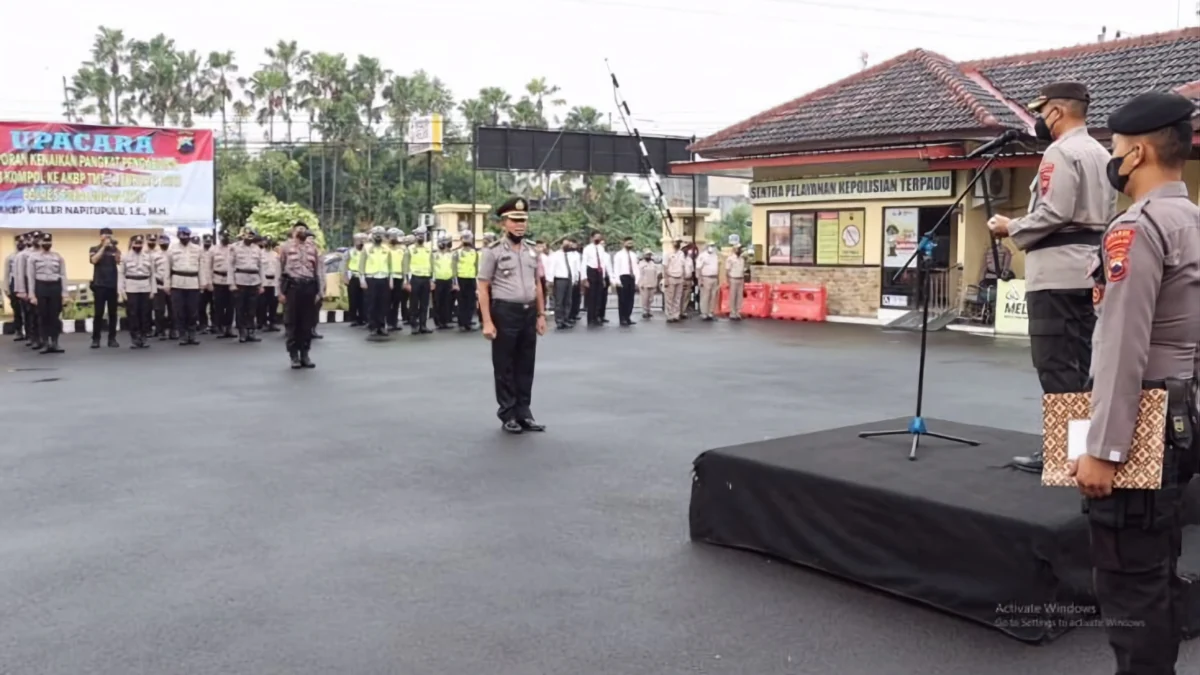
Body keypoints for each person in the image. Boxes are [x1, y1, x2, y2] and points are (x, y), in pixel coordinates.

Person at [1070, 91, 1199, 675]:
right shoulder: (1192, 220)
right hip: (1183, 413)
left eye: (1115, 149)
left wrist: (1102, 449)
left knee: (1129, 583)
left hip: (1143, 421)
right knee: (1159, 570)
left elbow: (1123, 343)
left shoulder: (1138, 227)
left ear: (1139, 151)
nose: (1112, 159)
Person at [988, 81, 1118, 473]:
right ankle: (1086, 447)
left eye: (1042, 113)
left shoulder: (1059, 153)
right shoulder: (1101, 151)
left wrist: (1011, 227)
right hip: (1089, 267)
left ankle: (1063, 451)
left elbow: (1054, 212)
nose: (1041, 121)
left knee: (1056, 363)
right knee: (1083, 362)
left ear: (1057, 112)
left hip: (1056, 274)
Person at [478, 197, 547, 434]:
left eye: (523, 220)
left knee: (526, 365)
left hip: (528, 313)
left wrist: (541, 314)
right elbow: (483, 287)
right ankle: (508, 413)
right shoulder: (493, 252)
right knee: (505, 365)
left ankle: (524, 412)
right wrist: (487, 321)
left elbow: (537, 283)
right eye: (515, 220)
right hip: (505, 312)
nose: (520, 225)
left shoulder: (531, 251)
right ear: (503, 223)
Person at [279, 223, 324, 368]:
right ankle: (294, 356)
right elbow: (278, 271)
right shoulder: (285, 248)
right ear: (293, 231)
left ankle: (305, 354)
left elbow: (318, 271)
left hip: (309, 287)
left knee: (307, 323)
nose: (302, 231)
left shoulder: (313, 249)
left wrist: (320, 291)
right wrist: (279, 292)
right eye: (299, 229)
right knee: (292, 323)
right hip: (292, 288)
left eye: (304, 229)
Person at [26, 232, 69, 354]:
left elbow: (63, 275)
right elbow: (31, 277)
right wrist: (32, 294)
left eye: (48, 242)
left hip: (55, 287)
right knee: (43, 316)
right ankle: (45, 343)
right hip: (41, 286)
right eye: (44, 242)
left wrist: (64, 293)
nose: (47, 244)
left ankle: (55, 343)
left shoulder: (58, 257)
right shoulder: (33, 258)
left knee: (54, 316)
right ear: (40, 242)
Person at [165, 227, 205, 346]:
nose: (184, 239)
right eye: (182, 237)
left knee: (192, 310)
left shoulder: (197, 249)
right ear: (178, 236)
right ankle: (182, 334)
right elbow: (167, 267)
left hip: (193, 282)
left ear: (189, 236)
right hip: (177, 282)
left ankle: (192, 334)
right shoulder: (172, 249)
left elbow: (201, 267)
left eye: (186, 236)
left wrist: (202, 283)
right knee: (179, 311)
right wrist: (167, 284)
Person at [119, 235, 157, 349]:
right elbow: (121, 274)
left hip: (145, 286)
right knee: (133, 314)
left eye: (140, 244)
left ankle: (144, 336)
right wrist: (121, 290)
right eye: (136, 244)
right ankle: (135, 337)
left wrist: (153, 290)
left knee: (145, 313)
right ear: (132, 244)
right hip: (131, 287)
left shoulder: (148, 256)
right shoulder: (125, 256)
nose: (138, 246)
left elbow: (152, 274)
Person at [230, 226, 265, 343]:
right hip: (240, 280)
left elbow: (261, 267)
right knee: (240, 308)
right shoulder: (234, 248)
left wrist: (262, 284)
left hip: (254, 280)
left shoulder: (257, 249)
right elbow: (230, 266)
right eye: (247, 236)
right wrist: (231, 283)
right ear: (242, 236)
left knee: (252, 309)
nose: (249, 238)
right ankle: (242, 332)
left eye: (251, 236)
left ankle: (251, 331)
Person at [89, 227, 122, 348]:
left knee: (113, 313)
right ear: (101, 237)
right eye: (105, 235)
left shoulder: (114, 249)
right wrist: (104, 247)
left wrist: (116, 248)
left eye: (109, 235)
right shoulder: (94, 248)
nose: (108, 237)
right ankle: (95, 339)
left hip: (112, 285)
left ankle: (112, 338)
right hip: (99, 285)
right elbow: (94, 260)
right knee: (98, 313)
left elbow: (119, 261)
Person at [358, 225, 392, 340]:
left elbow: (390, 265)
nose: (378, 237)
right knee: (372, 304)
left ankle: (382, 326)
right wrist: (362, 279)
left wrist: (391, 280)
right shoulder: (366, 248)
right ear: (372, 236)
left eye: (380, 235)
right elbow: (361, 265)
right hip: (371, 278)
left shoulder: (386, 249)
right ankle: (373, 327)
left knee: (383, 304)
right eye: (376, 235)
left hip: (383, 278)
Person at [14, 232, 42, 350]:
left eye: (37, 237)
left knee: (42, 314)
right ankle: (33, 337)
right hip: (28, 284)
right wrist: (21, 290)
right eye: (32, 238)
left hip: (42, 285)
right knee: (31, 314)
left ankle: (44, 338)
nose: (34, 240)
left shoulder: (45, 253)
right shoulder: (23, 255)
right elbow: (19, 274)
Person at [405, 227, 433, 335]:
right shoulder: (410, 249)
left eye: (422, 235)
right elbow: (406, 266)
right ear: (415, 236)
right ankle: (414, 325)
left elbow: (432, 264)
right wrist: (406, 281)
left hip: (426, 278)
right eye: (418, 235)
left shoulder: (428, 249)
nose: (420, 237)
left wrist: (432, 280)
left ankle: (423, 325)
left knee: (424, 304)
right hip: (415, 278)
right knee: (414, 303)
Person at [453, 230, 479, 332]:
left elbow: (476, 267)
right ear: (461, 239)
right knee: (461, 302)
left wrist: (477, 282)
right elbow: (454, 268)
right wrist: (455, 283)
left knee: (471, 302)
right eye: (465, 238)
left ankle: (468, 322)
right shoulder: (457, 252)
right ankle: (461, 323)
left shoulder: (474, 252)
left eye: (468, 238)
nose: (467, 240)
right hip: (461, 279)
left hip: (471, 279)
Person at [210, 231, 235, 339]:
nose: (225, 238)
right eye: (224, 236)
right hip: (218, 279)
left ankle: (228, 327)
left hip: (230, 281)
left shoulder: (233, 249)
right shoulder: (213, 249)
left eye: (227, 236)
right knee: (219, 305)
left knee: (230, 306)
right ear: (220, 237)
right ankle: (220, 327)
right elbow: (209, 267)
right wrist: (209, 282)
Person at [611, 236, 640, 327]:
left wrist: (637, 281)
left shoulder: (634, 255)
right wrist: (617, 281)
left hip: (631, 278)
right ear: (623, 243)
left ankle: (628, 317)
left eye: (631, 243)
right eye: (628, 243)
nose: (630, 245)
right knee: (623, 300)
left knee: (630, 299)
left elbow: (636, 269)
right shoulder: (619, 255)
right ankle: (622, 318)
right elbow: (616, 268)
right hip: (622, 278)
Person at [581, 232, 609, 326]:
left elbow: (603, 263)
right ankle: (591, 318)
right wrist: (584, 278)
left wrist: (604, 277)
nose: (598, 239)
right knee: (591, 296)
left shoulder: (601, 248)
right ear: (592, 238)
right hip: (591, 271)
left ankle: (597, 317)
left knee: (599, 296)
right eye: (596, 237)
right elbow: (584, 263)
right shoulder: (587, 249)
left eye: (599, 237)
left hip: (599, 272)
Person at [432, 234, 456, 330]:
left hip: (448, 279)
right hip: (438, 280)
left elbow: (453, 269)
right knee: (437, 302)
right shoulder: (435, 255)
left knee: (446, 302)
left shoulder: (451, 255)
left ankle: (445, 321)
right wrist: (432, 281)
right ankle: (438, 322)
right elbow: (432, 268)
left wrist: (454, 282)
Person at [5, 234, 26, 342]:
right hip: (14, 283)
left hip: (26, 282)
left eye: (22, 241)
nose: (20, 243)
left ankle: (31, 332)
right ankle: (18, 331)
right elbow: (6, 273)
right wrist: (7, 288)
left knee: (28, 310)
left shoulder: (29, 255)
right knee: (16, 309)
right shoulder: (10, 257)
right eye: (18, 241)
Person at [259, 236, 281, 332]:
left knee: (273, 303)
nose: (268, 243)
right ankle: (262, 323)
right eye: (266, 242)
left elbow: (278, 270)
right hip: (264, 281)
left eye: (269, 242)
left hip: (274, 282)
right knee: (262, 304)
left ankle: (272, 322)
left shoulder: (276, 255)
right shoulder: (260, 254)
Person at [345, 232, 367, 327]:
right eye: (358, 240)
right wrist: (345, 276)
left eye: (363, 240)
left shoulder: (366, 252)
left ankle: (364, 318)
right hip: (353, 277)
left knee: (364, 299)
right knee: (353, 299)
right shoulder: (349, 252)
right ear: (354, 241)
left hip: (364, 277)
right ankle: (353, 318)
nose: (360, 242)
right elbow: (344, 265)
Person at [387, 228, 406, 332]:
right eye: (392, 237)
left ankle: (393, 322)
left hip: (399, 277)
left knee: (396, 301)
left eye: (395, 237)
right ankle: (387, 322)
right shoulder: (385, 248)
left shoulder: (402, 249)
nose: (394, 239)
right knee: (387, 301)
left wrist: (405, 278)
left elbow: (404, 264)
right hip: (387, 278)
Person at [696, 242, 721, 321]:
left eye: (713, 246)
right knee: (705, 296)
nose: (712, 247)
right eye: (711, 246)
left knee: (713, 296)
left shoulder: (715, 255)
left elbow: (717, 267)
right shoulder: (702, 256)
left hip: (714, 278)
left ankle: (710, 312)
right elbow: (698, 268)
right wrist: (700, 279)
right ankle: (704, 313)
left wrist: (718, 279)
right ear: (707, 246)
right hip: (705, 278)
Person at [725, 236, 748, 321]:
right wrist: (728, 281)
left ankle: (738, 312)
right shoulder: (730, 258)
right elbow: (727, 270)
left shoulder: (742, 259)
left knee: (739, 297)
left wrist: (743, 281)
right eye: (739, 249)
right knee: (733, 296)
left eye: (741, 249)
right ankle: (732, 312)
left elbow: (742, 270)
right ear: (735, 249)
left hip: (740, 278)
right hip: (733, 278)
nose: (740, 250)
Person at [664, 239, 686, 322]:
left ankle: (675, 315)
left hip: (679, 277)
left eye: (679, 242)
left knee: (677, 297)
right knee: (669, 298)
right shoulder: (668, 253)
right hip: (671, 277)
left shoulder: (681, 253)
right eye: (676, 242)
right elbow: (665, 267)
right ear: (672, 243)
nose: (677, 244)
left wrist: (683, 278)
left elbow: (683, 266)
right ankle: (669, 315)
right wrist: (666, 279)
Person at [198, 234, 216, 333]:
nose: (207, 242)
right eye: (206, 240)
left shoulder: (215, 251)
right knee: (201, 306)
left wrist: (211, 283)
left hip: (213, 283)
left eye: (209, 240)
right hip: (201, 283)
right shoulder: (198, 251)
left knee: (214, 306)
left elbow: (214, 268)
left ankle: (215, 325)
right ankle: (203, 325)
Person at [637, 249, 660, 319]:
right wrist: (640, 283)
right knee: (645, 298)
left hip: (652, 283)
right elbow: (639, 274)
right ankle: (645, 311)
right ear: (644, 255)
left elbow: (656, 274)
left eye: (649, 255)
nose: (648, 256)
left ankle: (649, 311)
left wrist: (656, 283)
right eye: (647, 254)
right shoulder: (641, 263)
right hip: (644, 284)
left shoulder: (653, 263)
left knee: (651, 299)